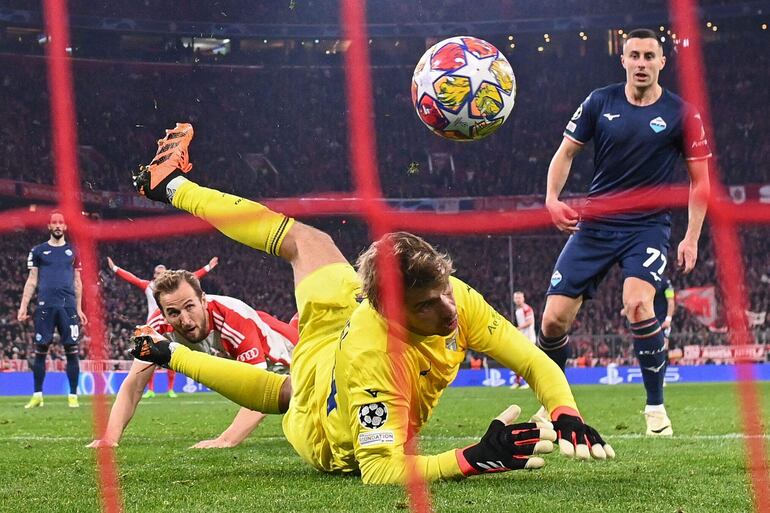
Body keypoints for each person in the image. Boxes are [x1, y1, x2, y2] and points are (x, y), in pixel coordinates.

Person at [126, 122, 614, 484]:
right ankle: (170, 354)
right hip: (326, 427)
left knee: (303, 238)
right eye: (428, 306)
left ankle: (169, 184)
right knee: (290, 394)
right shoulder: (373, 351)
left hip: (340, 314)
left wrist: (564, 410)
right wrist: (471, 458)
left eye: (445, 291)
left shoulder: (454, 298)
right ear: (391, 311)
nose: (448, 312)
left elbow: (531, 359)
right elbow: (379, 471)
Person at [539, 28, 711, 436]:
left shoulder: (682, 114)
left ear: (662, 62)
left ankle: (655, 410)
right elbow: (565, 153)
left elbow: (700, 181)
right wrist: (551, 198)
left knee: (638, 304)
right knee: (551, 322)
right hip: (596, 224)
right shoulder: (600, 101)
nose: (641, 63)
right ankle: (552, 409)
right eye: (634, 55)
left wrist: (691, 237)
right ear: (623, 59)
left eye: (649, 56)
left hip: (647, 227)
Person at [88, 270, 297, 448]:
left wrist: (225, 440)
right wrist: (109, 438)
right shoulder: (153, 331)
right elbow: (133, 386)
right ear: (162, 314)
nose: (185, 320)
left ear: (203, 300)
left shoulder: (233, 317)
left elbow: (260, 389)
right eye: (173, 312)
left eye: (190, 307)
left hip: (294, 361)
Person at [106, 255, 219, 398]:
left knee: (172, 356)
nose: (159, 275)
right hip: (153, 328)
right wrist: (115, 268)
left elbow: (192, 277)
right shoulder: (149, 286)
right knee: (150, 360)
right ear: (154, 275)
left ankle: (171, 389)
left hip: (170, 326)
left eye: (162, 273)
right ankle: (151, 390)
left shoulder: (174, 288)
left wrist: (208, 267)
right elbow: (132, 278)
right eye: (157, 273)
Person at [17, 212, 88, 408]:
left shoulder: (74, 251)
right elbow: (32, 280)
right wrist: (23, 306)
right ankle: (38, 395)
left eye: (61, 223)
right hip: (45, 307)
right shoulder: (38, 251)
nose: (57, 226)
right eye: (54, 223)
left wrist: (79, 308)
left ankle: (73, 397)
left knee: (72, 351)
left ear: (65, 227)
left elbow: (77, 282)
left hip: (68, 307)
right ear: (49, 226)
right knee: (40, 350)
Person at [510, 291, 536, 389]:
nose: (517, 300)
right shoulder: (518, 310)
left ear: (523, 298)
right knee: (518, 359)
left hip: (529, 338)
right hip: (522, 338)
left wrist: (517, 328)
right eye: (516, 298)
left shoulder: (527, 309)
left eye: (519, 298)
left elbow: (530, 321)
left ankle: (529, 382)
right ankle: (518, 381)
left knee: (527, 361)